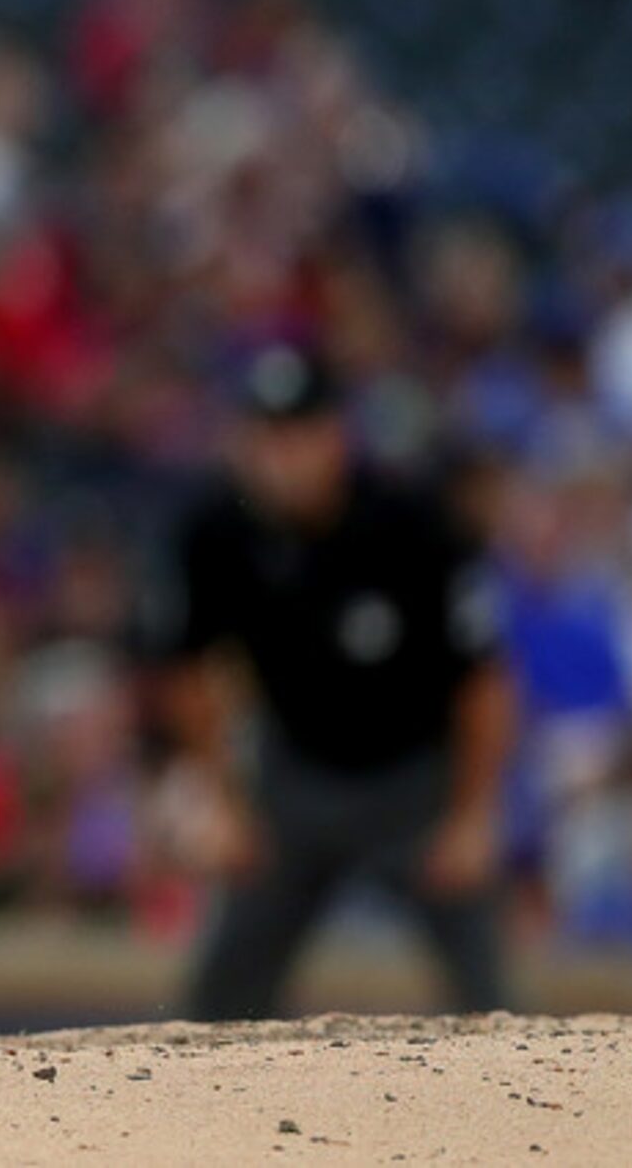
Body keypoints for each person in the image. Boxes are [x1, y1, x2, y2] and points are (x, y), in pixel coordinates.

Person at [149, 345, 517, 1020]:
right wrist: (220, 798)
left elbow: (484, 682)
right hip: (296, 782)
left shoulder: (415, 522)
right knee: (215, 1008)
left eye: (298, 435)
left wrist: (472, 814)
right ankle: (193, 1124)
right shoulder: (219, 531)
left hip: (417, 784)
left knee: (492, 1005)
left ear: (336, 435)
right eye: (265, 436)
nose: (280, 456)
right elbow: (185, 670)